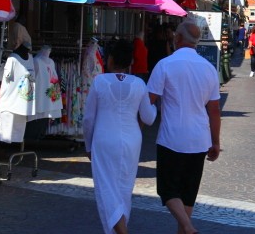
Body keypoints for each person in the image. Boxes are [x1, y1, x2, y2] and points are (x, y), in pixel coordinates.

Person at [147, 21, 221, 234]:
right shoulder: (208, 68)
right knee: (188, 194)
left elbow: (149, 100)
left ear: (177, 38)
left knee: (168, 189)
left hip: (172, 137)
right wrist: (215, 142)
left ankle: (188, 228)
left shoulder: (165, 65)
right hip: (199, 139)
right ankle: (186, 228)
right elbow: (214, 110)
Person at [84, 38, 157, 234]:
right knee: (124, 188)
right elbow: (148, 118)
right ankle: (120, 229)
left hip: (104, 140)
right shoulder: (139, 84)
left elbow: (89, 119)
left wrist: (87, 146)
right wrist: (155, 107)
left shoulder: (100, 81)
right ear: (130, 61)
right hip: (132, 141)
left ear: (110, 59)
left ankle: (121, 232)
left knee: (106, 187)